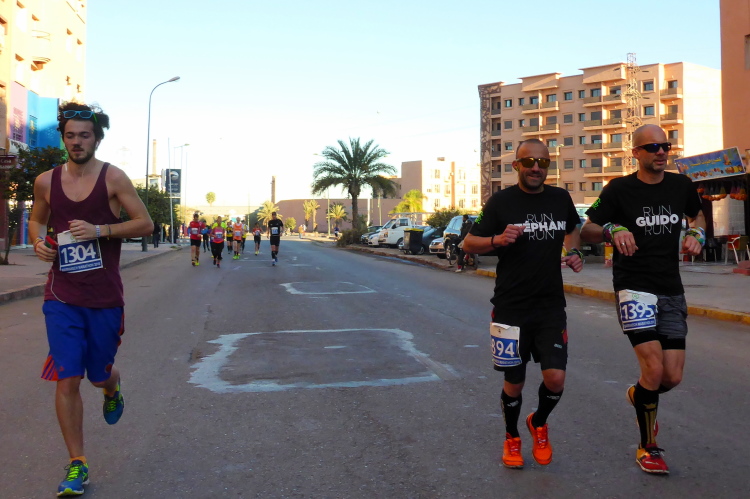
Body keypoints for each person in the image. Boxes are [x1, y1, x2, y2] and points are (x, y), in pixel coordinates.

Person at [27, 101, 153, 496]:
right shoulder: (46, 181)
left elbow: (146, 223)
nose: (77, 142)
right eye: (70, 135)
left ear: (97, 138)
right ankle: (77, 463)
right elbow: (37, 219)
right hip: (61, 295)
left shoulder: (113, 178)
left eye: (84, 135)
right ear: (63, 139)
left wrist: (101, 230)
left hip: (104, 297)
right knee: (67, 376)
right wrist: (38, 243)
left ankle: (112, 387)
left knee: (98, 375)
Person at [580, 124, 705, 475]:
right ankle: (647, 447)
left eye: (665, 146)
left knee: (672, 376)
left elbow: (697, 214)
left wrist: (696, 232)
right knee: (653, 368)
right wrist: (612, 229)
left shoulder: (681, 185)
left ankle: (640, 396)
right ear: (635, 153)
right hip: (633, 287)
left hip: (671, 288)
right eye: (652, 147)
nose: (661, 152)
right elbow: (587, 228)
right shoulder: (619, 189)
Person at [462, 138, 584, 470]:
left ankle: (538, 422)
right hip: (510, 308)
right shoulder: (501, 202)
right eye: (529, 162)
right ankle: (511, 436)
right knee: (514, 383)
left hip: (549, 307)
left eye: (542, 163)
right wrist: (497, 240)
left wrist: (573, 251)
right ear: (516, 166)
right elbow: (468, 242)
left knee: (555, 378)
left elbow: (573, 228)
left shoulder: (560, 198)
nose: (535, 168)